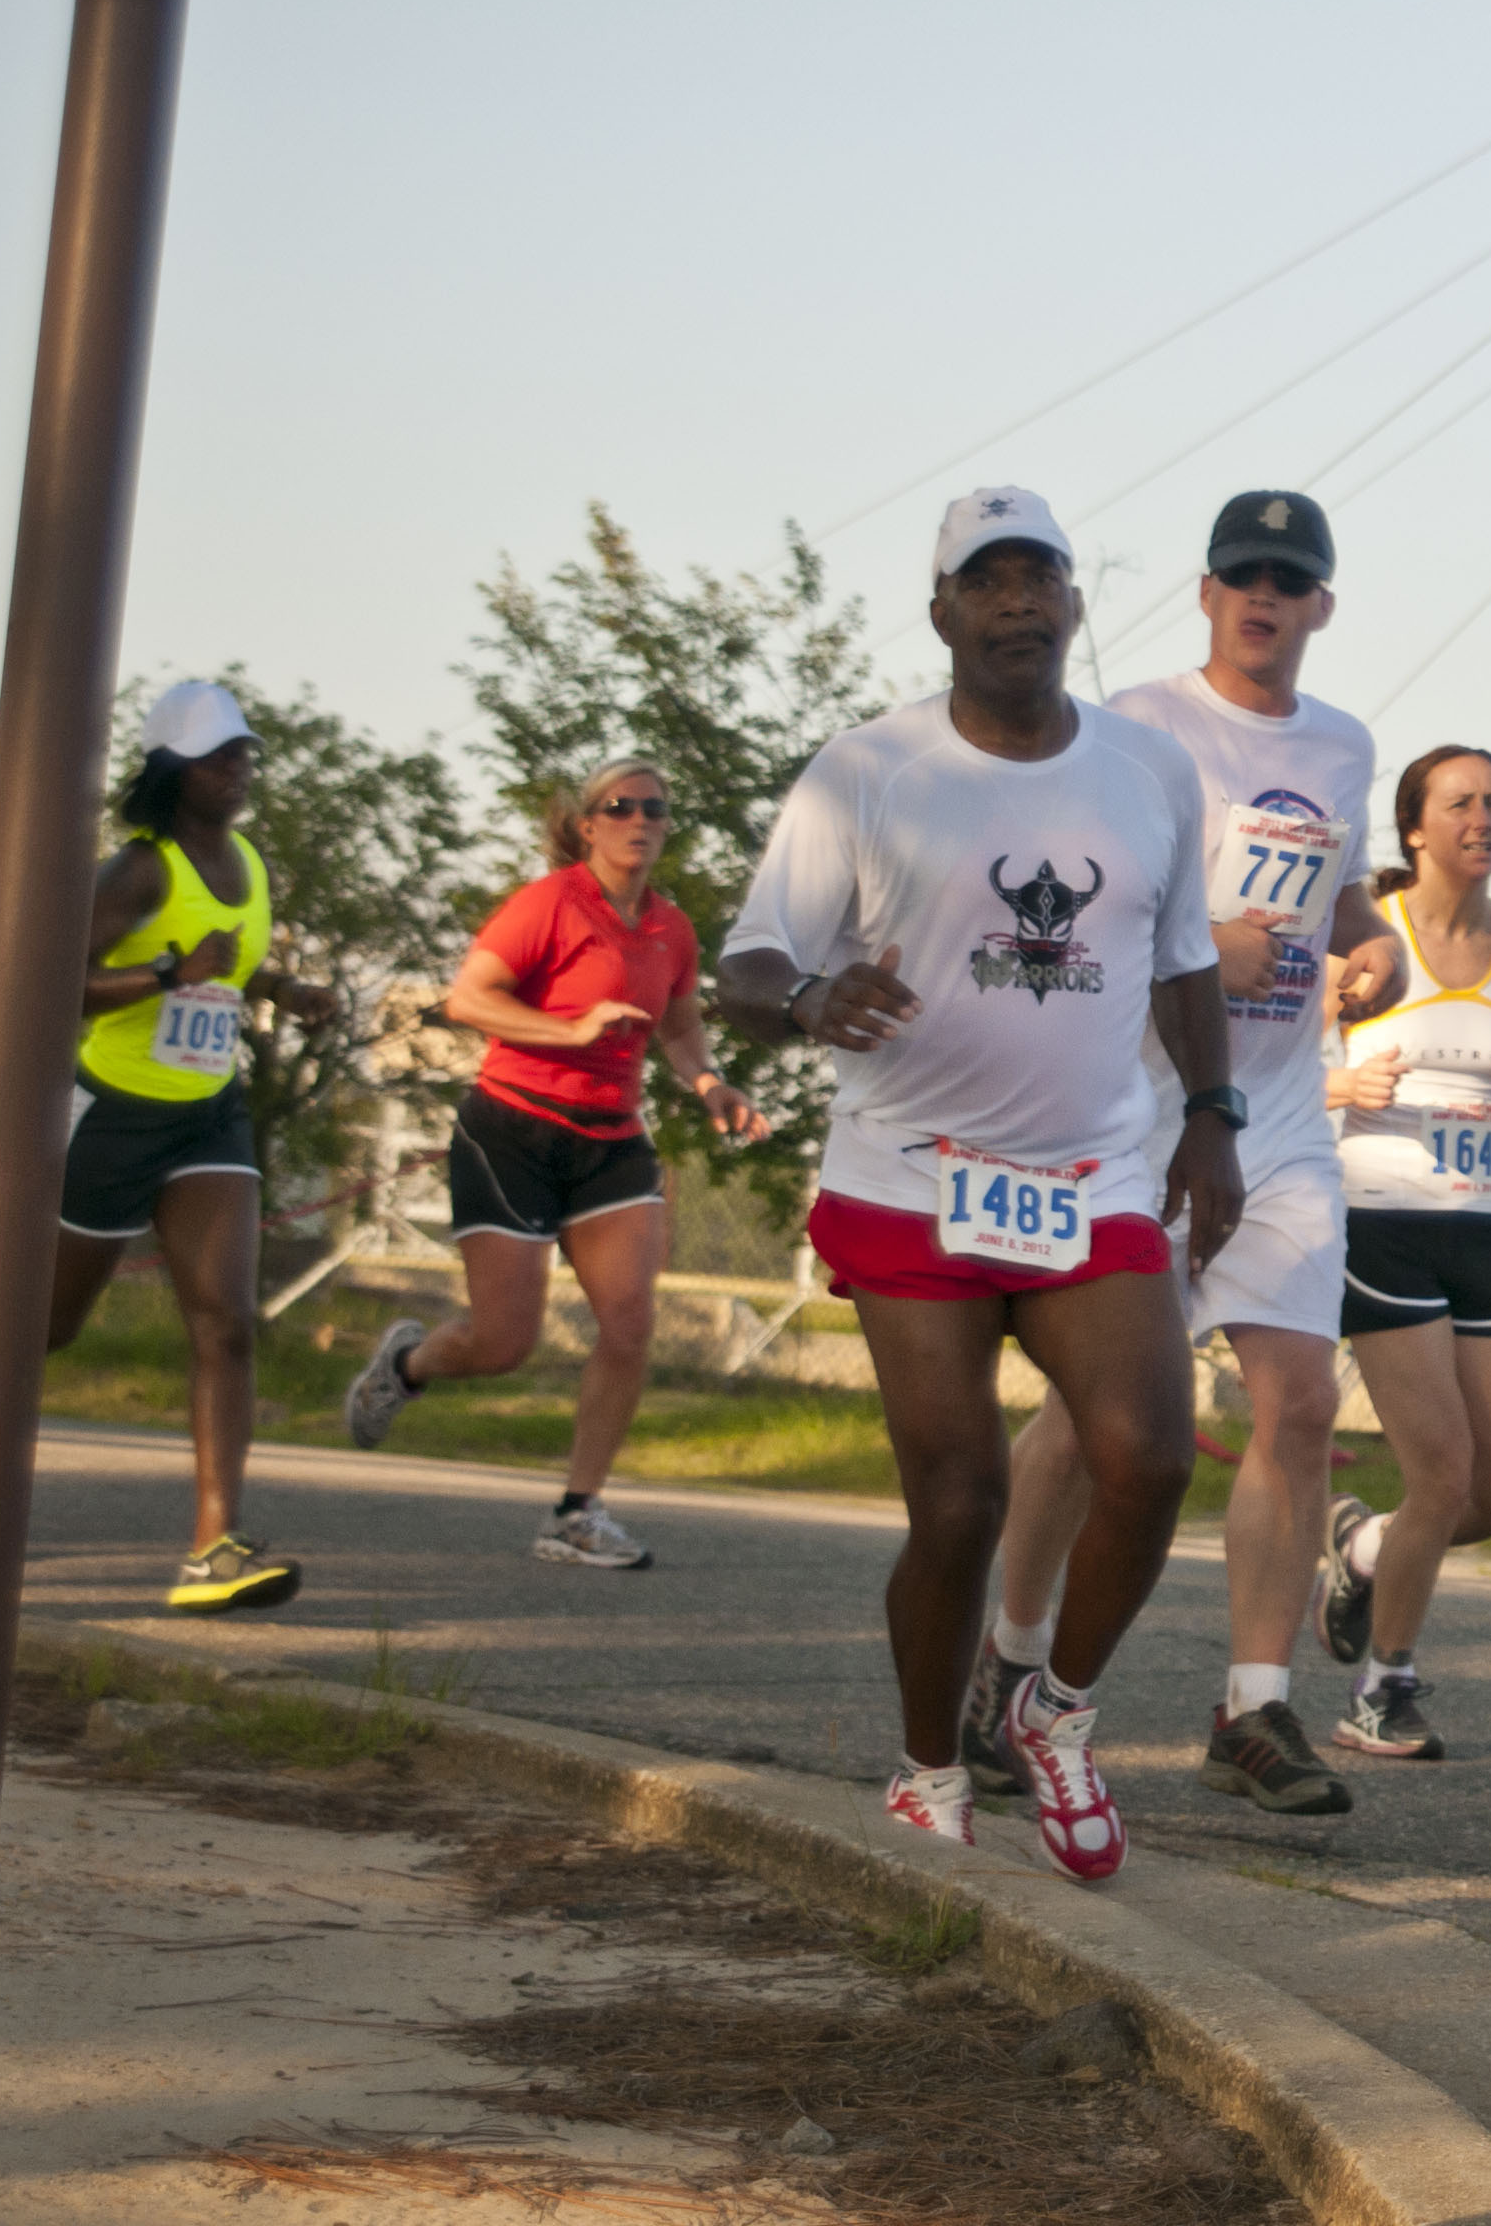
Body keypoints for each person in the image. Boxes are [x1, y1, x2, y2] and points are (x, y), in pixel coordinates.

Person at [711, 488, 1242, 1878]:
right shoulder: (866, 770)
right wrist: (813, 998)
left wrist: (1215, 1119)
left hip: (1090, 1175)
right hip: (911, 1174)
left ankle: (1055, 1715)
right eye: (985, 580)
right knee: (957, 1500)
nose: (1016, 601)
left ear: (1075, 605)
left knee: (1151, 1455)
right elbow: (749, 967)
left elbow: (1184, 958)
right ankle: (928, 1767)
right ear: (942, 611)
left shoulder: (1147, 769)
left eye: (1040, 578)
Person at [977, 488, 1394, 1821]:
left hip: (1278, 1118)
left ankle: (1256, 1708)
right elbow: (1068, 903)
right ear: (1207, 595)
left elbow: (1338, 897)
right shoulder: (1140, 727)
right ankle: (1014, 1660)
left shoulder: (1342, 744)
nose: (1266, 597)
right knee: (1091, 1418)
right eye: (1243, 575)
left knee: (1304, 1406)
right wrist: (1206, 946)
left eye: (1291, 578)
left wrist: (1368, 947)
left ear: (1321, 605)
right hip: (1138, 1113)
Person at [341, 754, 768, 1568]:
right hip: (513, 1129)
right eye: (621, 806)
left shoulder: (670, 928)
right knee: (505, 1342)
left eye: (655, 808)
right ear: (588, 825)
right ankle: (405, 1365)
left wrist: (712, 1085)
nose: (639, 819)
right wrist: (568, 1031)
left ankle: (576, 1513)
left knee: (631, 1321)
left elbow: (678, 1030)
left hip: (610, 1139)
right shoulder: (550, 904)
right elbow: (468, 999)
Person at [1311, 744, 1491, 1756]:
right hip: (1378, 1224)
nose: (1484, 816)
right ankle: (1383, 1690)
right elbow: (1260, 1064)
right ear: (1416, 828)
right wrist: (1340, 1088)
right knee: (1440, 1470)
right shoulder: (1365, 936)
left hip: (1484, 1233)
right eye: (1461, 802)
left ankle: (1362, 1547)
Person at [49, 680, 344, 1611]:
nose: (239, 771)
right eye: (221, 757)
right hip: (116, 1110)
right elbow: (57, 979)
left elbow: (235, 964)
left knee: (226, 1321)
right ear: (174, 770)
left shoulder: (250, 863)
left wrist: (286, 993)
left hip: (209, 1111)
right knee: (43, 1327)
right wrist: (170, 969)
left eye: (245, 754)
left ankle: (212, 1548)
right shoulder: (138, 869)